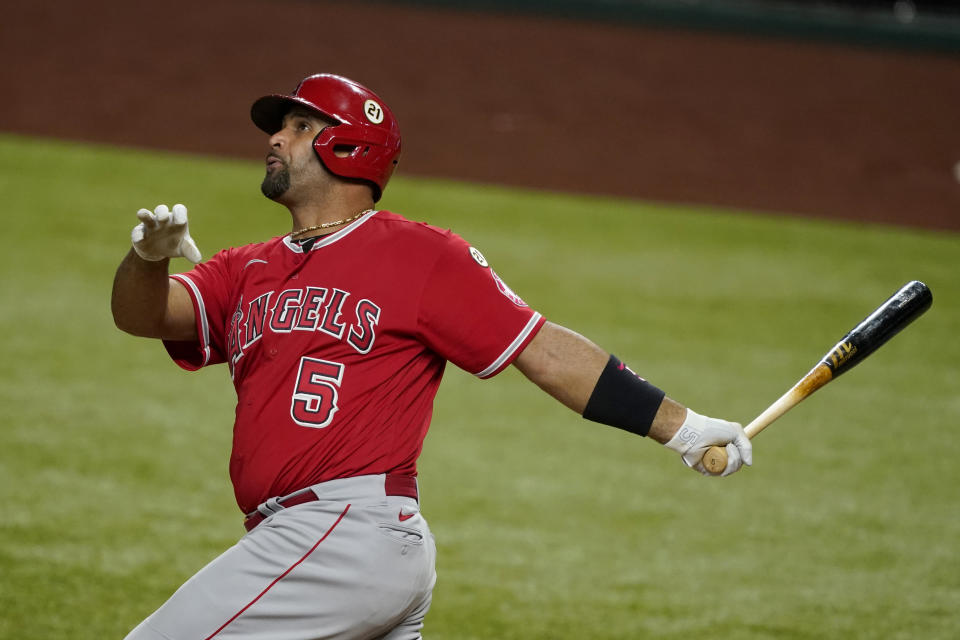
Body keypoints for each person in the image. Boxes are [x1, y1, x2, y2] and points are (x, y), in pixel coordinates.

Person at [111, 73, 752, 640]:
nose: (276, 139)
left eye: (299, 127)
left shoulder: (420, 255)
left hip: (340, 536)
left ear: (347, 146)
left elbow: (541, 348)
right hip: (335, 547)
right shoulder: (244, 268)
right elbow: (142, 316)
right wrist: (146, 258)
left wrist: (685, 429)